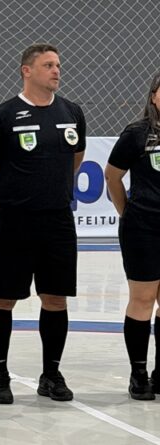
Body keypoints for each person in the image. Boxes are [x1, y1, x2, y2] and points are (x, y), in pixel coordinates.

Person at [0, 44, 85, 404]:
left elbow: (76, 157)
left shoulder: (72, 112)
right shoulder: (2, 116)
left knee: (56, 299)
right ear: (27, 70)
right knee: (3, 298)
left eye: (58, 64)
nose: (56, 70)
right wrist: (3, 192)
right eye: (48, 65)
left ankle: (51, 374)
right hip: (16, 220)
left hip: (58, 220)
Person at [105, 72, 160, 401]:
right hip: (144, 226)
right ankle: (138, 374)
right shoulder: (138, 133)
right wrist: (128, 212)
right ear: (153, 96)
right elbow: (112, 175)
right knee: (142, 301)